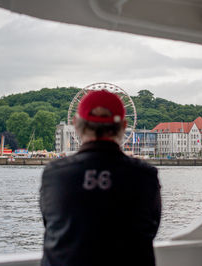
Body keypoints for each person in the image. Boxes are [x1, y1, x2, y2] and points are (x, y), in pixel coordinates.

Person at [40, 89, 161, 266]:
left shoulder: (54, 174)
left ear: (75, 123)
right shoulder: (145, 176)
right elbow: (151, 228)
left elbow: (50, 223)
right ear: (124, 126)